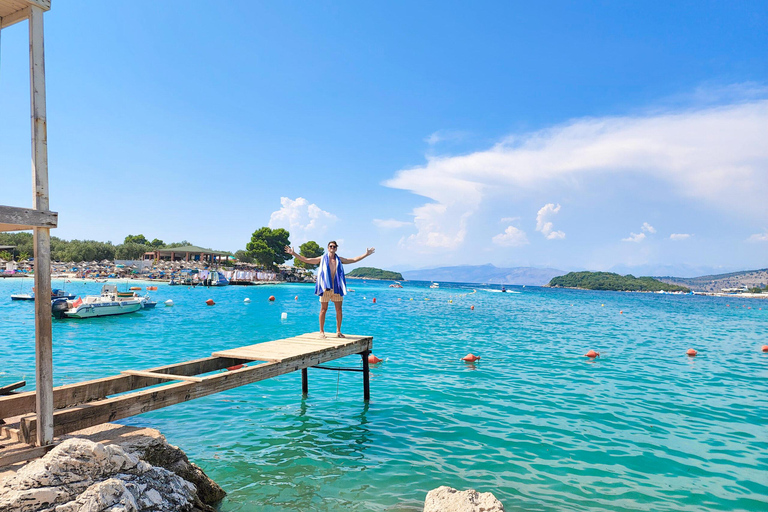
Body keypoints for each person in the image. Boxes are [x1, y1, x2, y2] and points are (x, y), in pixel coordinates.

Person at [285, 241, 375, 338]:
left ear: (336, 248)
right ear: (328, 248)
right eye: (331, 246)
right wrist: (293, 253)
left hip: (337, 287)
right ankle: (321, 331)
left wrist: (366, 254)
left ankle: (338, 331)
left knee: (339, 310)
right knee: (323, 309)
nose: (332, 248)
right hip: (325, 288)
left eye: (334, 246)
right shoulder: (322, 258)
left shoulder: (339, 260)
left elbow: (353, 259)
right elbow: (306, 259)